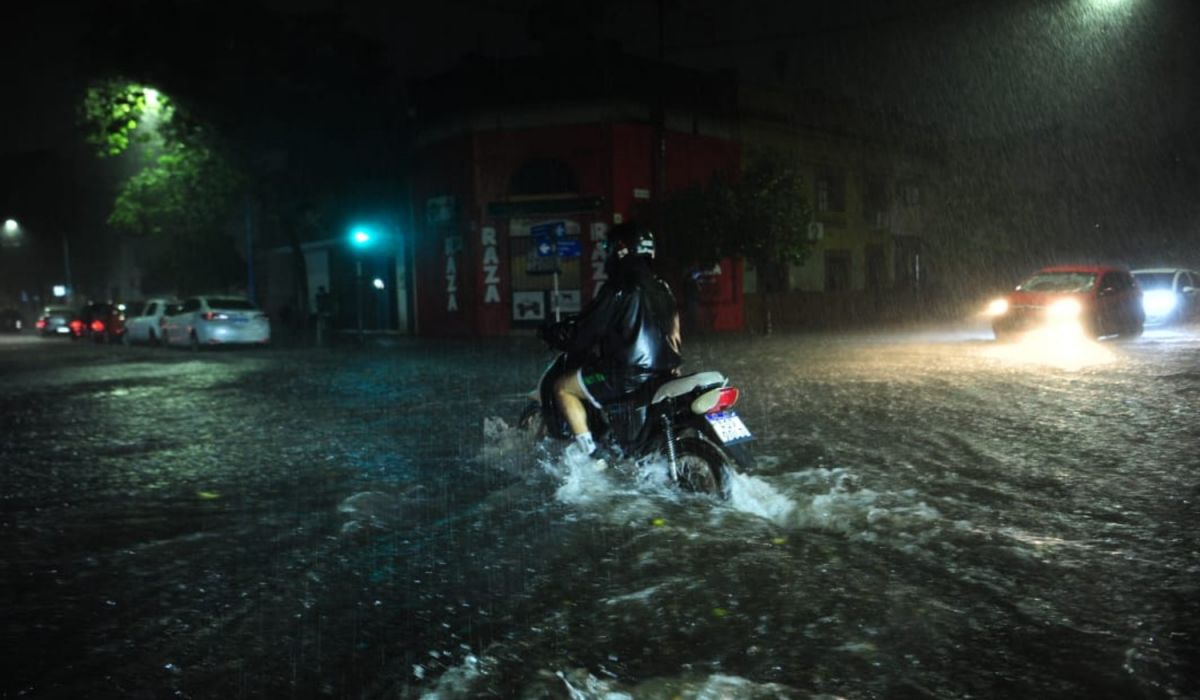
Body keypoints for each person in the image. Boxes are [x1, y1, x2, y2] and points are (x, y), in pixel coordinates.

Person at [545, 221, 683, 468]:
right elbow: (674, 333)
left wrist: (556, 334)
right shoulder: (663, 287)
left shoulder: (619, 287)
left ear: (620, 249)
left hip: (627, 375)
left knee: (562, 387)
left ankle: (591, 459)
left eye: (608, 247)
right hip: (665, 374)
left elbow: (585, 333)